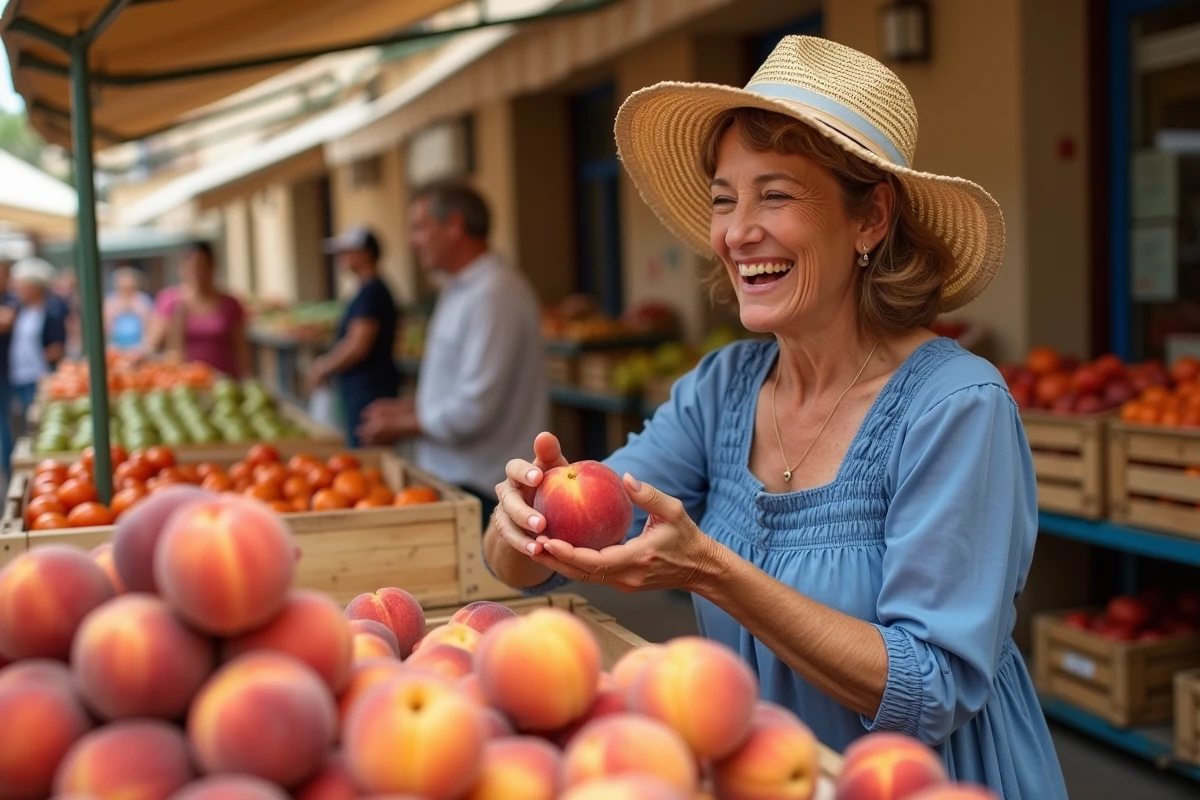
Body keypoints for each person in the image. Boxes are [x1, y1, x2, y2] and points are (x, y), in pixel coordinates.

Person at [485, 36, 1067, 799]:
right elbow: (531, 561)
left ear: (871, 219)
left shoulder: (956, 408)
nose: (737, 232)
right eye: (725, 199)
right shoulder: (722, 389)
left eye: (777, 194)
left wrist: (715, 573)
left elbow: (930, 691)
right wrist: (523, 518)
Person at [357, 182, 548, 524]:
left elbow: (474, 409)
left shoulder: (493, 294)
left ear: (455, 225)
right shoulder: (460, 289)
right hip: (458, 479)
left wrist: (403, 424)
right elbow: (460, 387)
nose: (412, 241)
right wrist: (409, 407)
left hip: (483, 488)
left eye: (419, 227)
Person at [308, 227, 401, 447]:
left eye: (346, 251)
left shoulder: (371, 293)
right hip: (364, 388)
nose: (341, 258)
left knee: (367, 456)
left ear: (365, 253)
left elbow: (358, 343)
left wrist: (324, 366)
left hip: (369, 390)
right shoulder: (368, 290)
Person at [147, 242, 250, 377]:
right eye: (192, 266)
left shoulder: (230, 303)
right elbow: (153, 344)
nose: (197, 272)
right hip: (184, 383)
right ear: (182, 268)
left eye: (203, 266)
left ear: (213, 266)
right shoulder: (170, 300)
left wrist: (246, 376)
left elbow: (241, 348)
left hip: (226, 382)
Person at [7, 257, 66, 459]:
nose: (18, 290)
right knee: (20, 421)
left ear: (34, 287)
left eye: (22, 286)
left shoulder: (52, 311)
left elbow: (57, 347)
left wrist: (48, 360)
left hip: (39, 375)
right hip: (17, 374)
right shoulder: (18, 309)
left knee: (36, 424)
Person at [104, 266, 154, 353]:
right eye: (123, 288)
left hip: (138, 347)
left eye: (130, 288)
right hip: (115, 347)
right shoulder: (110, 301)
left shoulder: (143, 301)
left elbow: (149, 326)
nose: (126, 291)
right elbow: (106, 326)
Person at [0, 260, 20, 477]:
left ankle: (6, 468)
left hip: (7, 370)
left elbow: (5, 322)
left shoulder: (12, 299)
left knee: (3, 421)